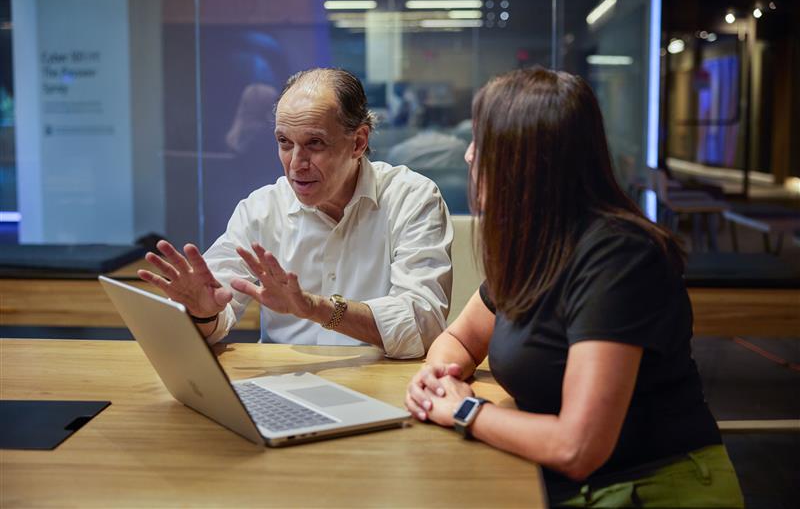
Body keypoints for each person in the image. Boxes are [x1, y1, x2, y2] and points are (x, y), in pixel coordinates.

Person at [404, 67, 744, 507]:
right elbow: (461, 338)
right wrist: (438, 378)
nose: (469, 157)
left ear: (524, 159)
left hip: (648, 487)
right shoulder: (535, 241)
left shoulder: (620, 257)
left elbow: (577, 448)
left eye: (481, 143)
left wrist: (466, 410)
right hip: (560, 482)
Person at [138, 68, 453, 359]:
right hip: (281, 381)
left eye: (315, 143)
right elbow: (211, 318)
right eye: (284, 143)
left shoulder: (411, 198)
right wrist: (202, 314)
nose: (296, 164)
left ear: (358, 142)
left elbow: (422, 326)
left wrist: (318, 309)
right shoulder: (261, 210)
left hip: (383, 381)